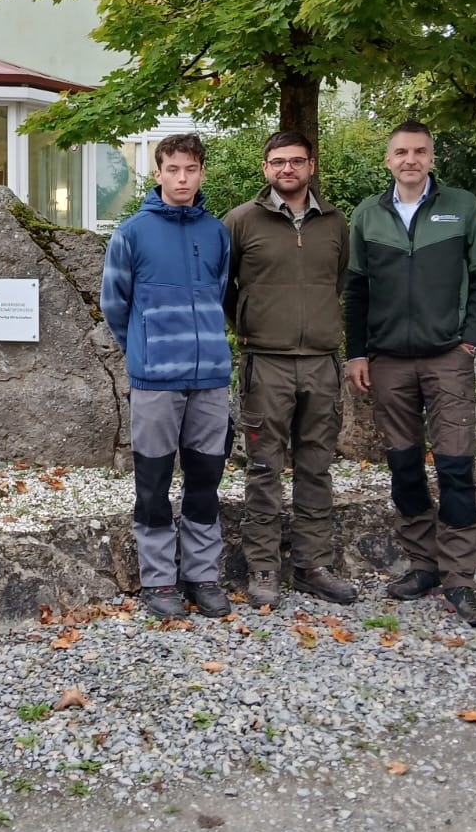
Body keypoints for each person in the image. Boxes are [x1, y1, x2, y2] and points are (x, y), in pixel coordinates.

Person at [344, 121, 476, 627]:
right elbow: (357, 290)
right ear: (388, 159)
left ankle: (460, 577)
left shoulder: (462, 206)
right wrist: (357, 352)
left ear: (432, 158)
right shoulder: (368, 214)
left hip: (447, 356)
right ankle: (423, 565)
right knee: (404, 465)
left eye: (420, 151)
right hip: (388, 360)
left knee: (455, 465)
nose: (410, 160)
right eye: (401, 152)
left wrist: (472, 340)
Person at [100, 132, 234, 620]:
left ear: (201, 173)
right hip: (155, 380)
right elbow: (114, 304)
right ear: (157, 173)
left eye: (191, 169)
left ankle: (202, 575)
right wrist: (144, 349)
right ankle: (158, 579)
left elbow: (221, 293)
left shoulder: (217, 233)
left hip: (210, 379)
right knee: (153, 483)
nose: (182, 178)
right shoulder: (132, 233)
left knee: (205, 480)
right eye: (173, 169)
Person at [224, 131, 357, 610]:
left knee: (316, 466)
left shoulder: (335, 223)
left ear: (311, 166)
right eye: (278, 161)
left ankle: (312, 565)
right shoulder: (240, 221)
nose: (287, 169)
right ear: (265, 168)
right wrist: (249, 324)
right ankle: (263, 566)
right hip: (266, 363)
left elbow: (339, 281)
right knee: (264, 468)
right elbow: (223, 286)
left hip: (321, 362)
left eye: (296, 161)